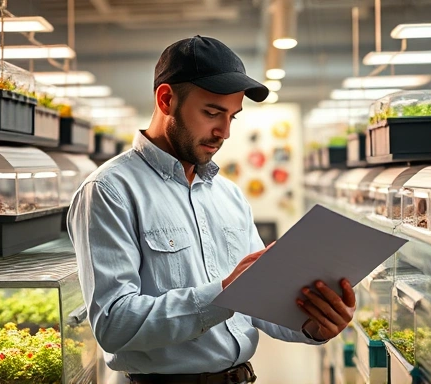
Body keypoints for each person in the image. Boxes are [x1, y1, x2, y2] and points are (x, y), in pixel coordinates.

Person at [67, 35, 356, 384]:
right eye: (212, 112)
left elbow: (258, 306)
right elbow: (114, 324)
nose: (224, 132)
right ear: (166, 99)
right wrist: (225, 293)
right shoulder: (109, 190)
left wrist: (313, 324)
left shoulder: (229, 196)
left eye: (232, 116)